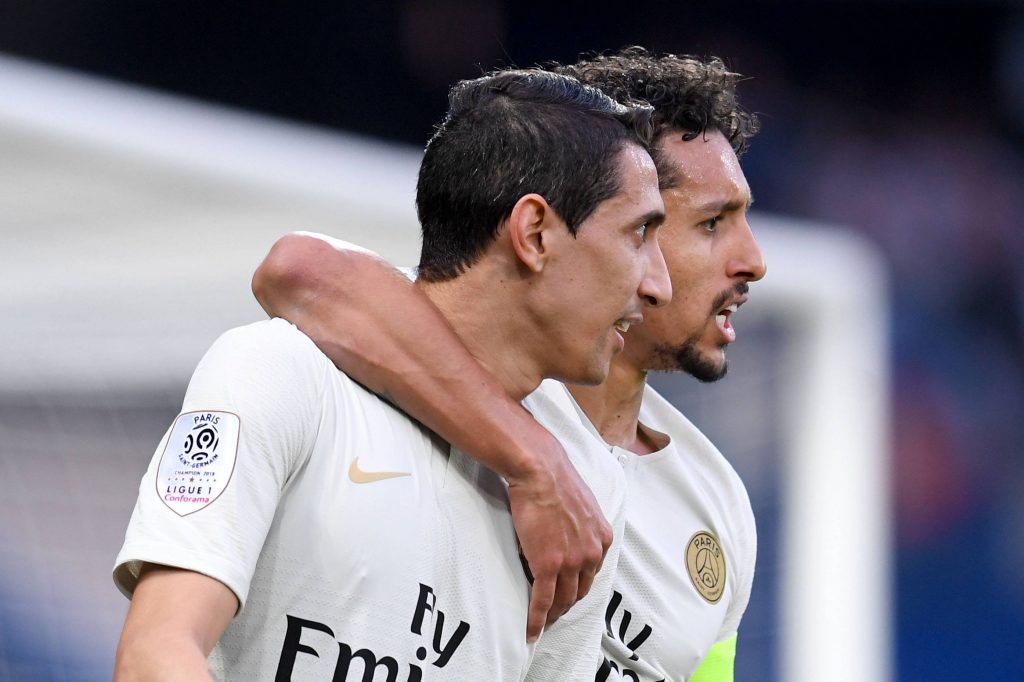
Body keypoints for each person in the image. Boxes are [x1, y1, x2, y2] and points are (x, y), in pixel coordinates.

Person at [112, 67, 672, 681]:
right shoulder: (281, 373)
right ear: (534, 233)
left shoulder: (584, 483)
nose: (658, 285)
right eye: (638, 232)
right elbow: (154, 656)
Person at [253, 47, 766, 682]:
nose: (753, 260)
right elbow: (302, 271)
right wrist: (534, 459)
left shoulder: (718, 505)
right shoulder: (438, 355)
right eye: (712, 223)